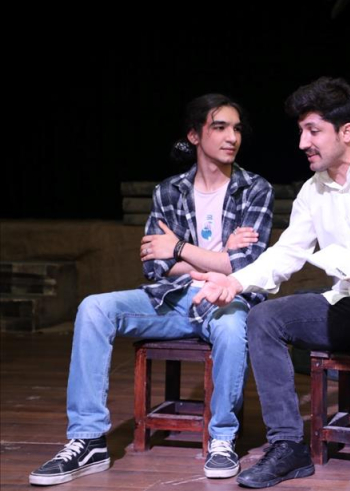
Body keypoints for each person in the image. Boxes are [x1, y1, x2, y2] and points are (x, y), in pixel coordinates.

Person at [190, 76, 350, 491]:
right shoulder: (313, 192)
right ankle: (288, 447)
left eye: (313, 131)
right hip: (345, 304)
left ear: (345, 131)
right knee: (264, 318)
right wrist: (235, 282)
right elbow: (286, 253)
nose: (303, 143)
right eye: (301, 131)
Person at [29, 94, 274, 486]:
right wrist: (217, 256)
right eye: (220, 127)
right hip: (172, 300)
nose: (232, 137)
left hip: (223, 301)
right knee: (94, 307)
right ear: (194, 135)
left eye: (237, 129)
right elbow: (155, 266)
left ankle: (222, 438)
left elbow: (245, 266)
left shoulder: (254, 189)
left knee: (232, 327)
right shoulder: (169, 191)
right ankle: (88, 440)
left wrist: (179, 248)